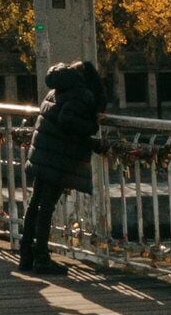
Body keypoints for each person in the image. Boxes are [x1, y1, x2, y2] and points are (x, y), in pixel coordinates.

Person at [17, 58, 109, 279]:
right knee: (46, 206)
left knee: (35, 204)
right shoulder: (82, 94)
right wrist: (93, 127)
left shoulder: (58, 88)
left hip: (44, 152)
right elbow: (68, 121)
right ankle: (41, 258)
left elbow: (58, 119)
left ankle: (26, 255)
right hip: (58, 157)